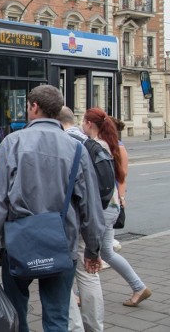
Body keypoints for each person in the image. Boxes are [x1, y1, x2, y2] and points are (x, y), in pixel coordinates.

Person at [0, 85, 105, 332]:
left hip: (18, 241)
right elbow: (90, 207)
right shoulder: (77, 149)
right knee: (58, 317)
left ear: (34, 107)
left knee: (15, 314)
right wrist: (93, 249)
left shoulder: (12, 143)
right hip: (61, 241)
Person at [82, 108, 152, 307]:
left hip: (102, 209)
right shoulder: (112, 145)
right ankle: (139, 287)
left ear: (89, 124)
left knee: (87, 253)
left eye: (83, 120)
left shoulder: (96, 147)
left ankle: (81, 297)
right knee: (106, 252)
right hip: (112, 207)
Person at [58, 106, 104, 332]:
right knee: (89, 276)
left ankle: (75, 328)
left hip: (67, 224)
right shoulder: (90, 143)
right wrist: (94, 246)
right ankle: (95, 327)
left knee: (63, 283)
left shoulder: (62, 145)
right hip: (88, 222)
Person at [109, 116, 127, 252]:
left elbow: (122, 176)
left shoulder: (119, 147)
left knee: (109, 227)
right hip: (107, 191)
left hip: (113, 193)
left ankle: (109, 250)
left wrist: (121, 198)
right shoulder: (107, 144)